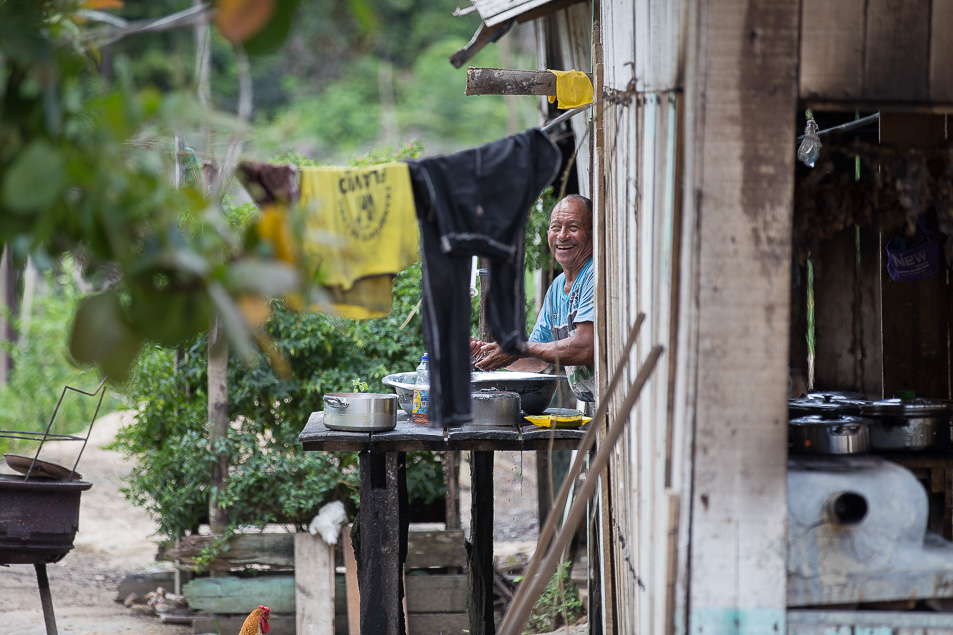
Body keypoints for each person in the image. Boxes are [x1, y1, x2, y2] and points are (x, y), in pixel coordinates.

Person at [470, 193, 595, 404]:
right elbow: (536, 359)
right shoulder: (556, 288)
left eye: (573, 228)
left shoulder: (595, 274)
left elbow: (585, 347)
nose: (562, 236)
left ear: (592, 235)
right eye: (556, 227)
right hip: (596, 408)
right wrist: (485, 354)